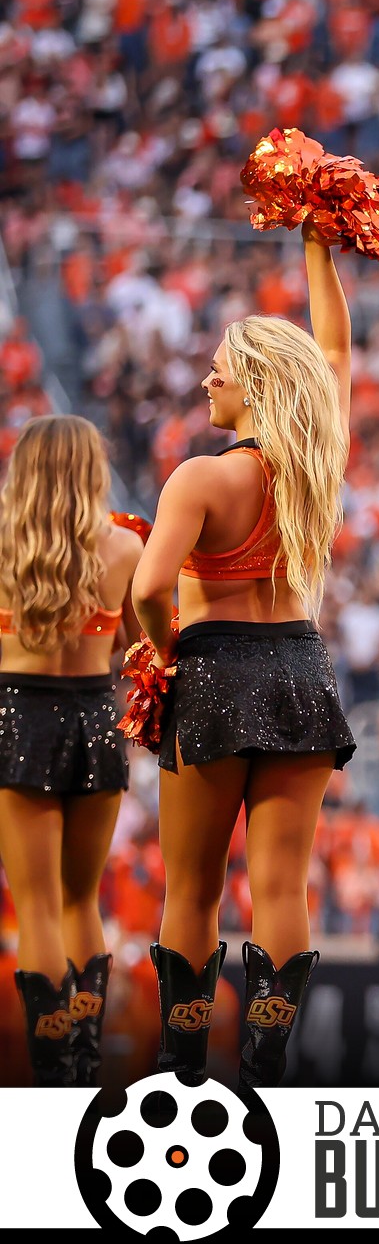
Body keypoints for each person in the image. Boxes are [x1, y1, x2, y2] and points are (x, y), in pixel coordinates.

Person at [131, 224, 357, 1086]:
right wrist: (317, 252)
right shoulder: (318, 463)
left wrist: (163, 652)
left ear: (254, 383)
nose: (206, 380)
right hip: (302, 668)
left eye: (218, 369)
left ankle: (182, 1071)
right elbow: (334, 351)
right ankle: (267, 1067)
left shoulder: (200, 477)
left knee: (192, 888)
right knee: (284, 888)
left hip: (213, 671)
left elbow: (151, 587)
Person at [0, 417, 145, 1084]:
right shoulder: (125, 546)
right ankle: (85, 1056)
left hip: (17, 719)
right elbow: (139, 650)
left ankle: (50, 1064)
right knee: (81, 901)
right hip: (93, 721)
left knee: (35, 906)